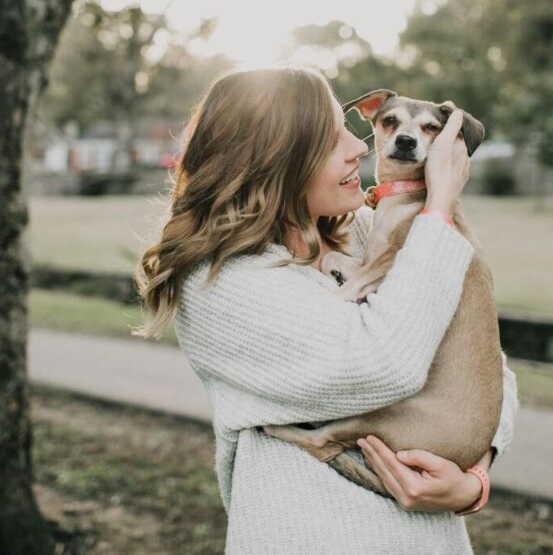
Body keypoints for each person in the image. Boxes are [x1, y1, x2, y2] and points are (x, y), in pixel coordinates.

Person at [132, 65, 519, 554]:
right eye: (332, 137)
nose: (359, 145)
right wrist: (439, 208)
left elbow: (487, 367)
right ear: (275, 159)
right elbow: (385, 365)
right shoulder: (220, 284)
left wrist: (474, 477)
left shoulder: (363, 230)